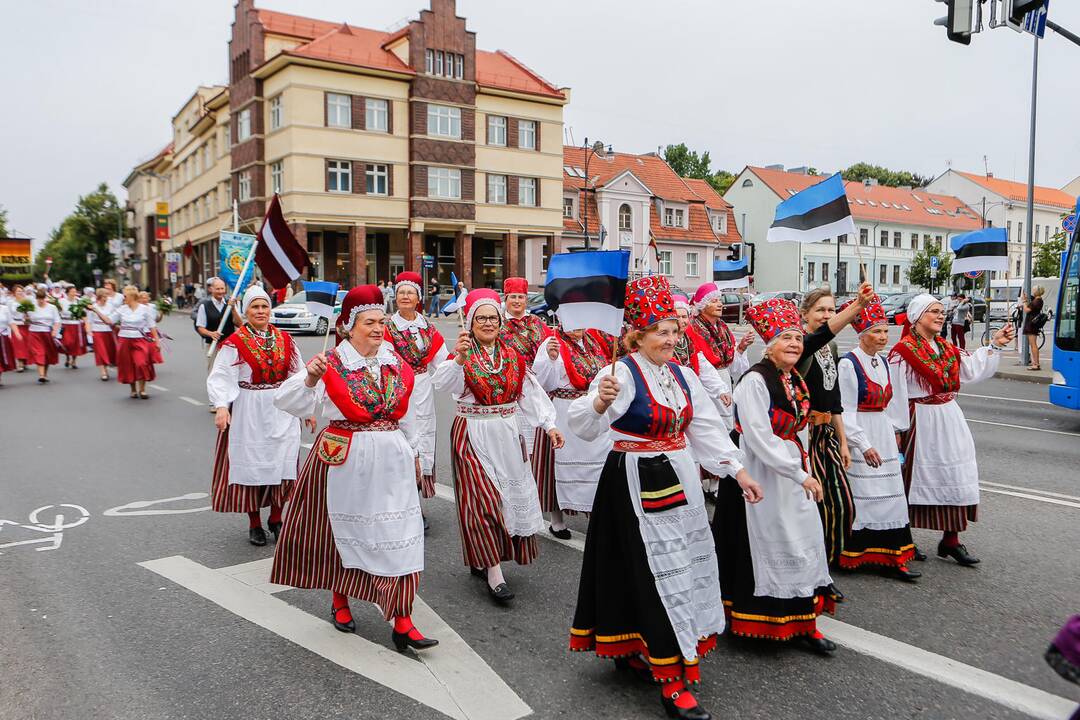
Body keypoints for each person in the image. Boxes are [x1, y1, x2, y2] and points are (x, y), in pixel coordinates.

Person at [568, 276, 761, 720]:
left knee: (678, 564)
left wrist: (738, 470)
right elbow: (584, 427)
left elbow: (707, 429)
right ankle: (672, 677)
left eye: (675, 331)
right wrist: (598, 402)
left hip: (680, 478)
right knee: (656, 570)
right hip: (634, 482)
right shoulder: (620, 372)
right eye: (661, 332)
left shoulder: (683, 374)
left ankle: (645, 646)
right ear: (637, 334)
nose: (671, 339)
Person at [271, 285, 438, 652]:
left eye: (382, 321)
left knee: (401, 535)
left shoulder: (396, 363)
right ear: (348, 325)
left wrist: (416, 455)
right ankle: (340, 599)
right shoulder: (331, 362)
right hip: (344, 456)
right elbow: (287, 401)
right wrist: (311, 378)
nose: (379, 328)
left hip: (392, 457)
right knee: (339, 533)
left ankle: (403, 620)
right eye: (370, 322)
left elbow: (410, 416)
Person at [713, 297, 838, 656]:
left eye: (798, 338)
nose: (795, 344)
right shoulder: (754, 380)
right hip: (761, 475)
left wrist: (804, 469)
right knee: (768, 542)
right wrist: (798, 475)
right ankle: (757, 620)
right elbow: (758, 437)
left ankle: (804, 622)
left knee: (803, 541)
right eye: (786, 338)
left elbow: (797, 431)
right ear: (770, 344)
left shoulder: (793, 377)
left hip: (791, 471)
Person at [431, 289, 563, 605]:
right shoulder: (462, 355)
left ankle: (484, 557)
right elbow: (441, 383)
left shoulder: (513, 357)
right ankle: (494, 572)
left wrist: (550, 424)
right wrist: (459, 358)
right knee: (484, 501)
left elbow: (529, 394)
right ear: (472, 322)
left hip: (507, 432)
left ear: (501, 322)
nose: (488, 323)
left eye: (493, 317)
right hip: (472, 433)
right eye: (481, 318)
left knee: (506, 501)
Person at [888, 294, 1014, 565]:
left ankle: (951, 540)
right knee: (912, 478)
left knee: (957, 474)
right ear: (917, 317)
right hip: (919, 420)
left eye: (941, 311)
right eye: (933, 311)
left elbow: (971, 369)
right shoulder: (903, 352)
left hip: (949, 417)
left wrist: (995, 344)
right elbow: (896, 394)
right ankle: (904, 538)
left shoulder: (946, 348)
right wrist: (897, 430)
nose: (940, 315)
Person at [208, 286, 306, 546]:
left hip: (281, 409)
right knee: (252, 466)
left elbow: (299, 376)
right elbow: (221, 376)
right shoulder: (235, 342)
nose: (261, 311)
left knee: (283, 462)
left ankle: (276, 517)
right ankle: (254, 523)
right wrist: (221, 406)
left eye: (264, 306)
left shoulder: (286, 339)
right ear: (246, 311)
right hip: (249, 411)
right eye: (255, 307)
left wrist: (305, 408)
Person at [797, 284, 874, 600]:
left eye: (831, 309)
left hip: (827, 435)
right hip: (805, 436)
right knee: (814, 508)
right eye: (821, 310)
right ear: (805, 315)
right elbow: (821, 335)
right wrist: (856, 306)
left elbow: (835, 399)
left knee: (843, 503)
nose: (827, 315)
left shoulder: (831, 349)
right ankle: (815, 574)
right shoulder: (800, 344)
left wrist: (843, 442)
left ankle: (827, 564)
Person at [836, 296, 919, 581]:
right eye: (876, 331)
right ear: (862, 334)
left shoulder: (882, 363)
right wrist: (863, 444)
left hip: (881, 431)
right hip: (861, 432)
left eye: (885, 331)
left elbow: (891, 404)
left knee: (892, 494)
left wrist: (895, 433)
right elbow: (845, 410)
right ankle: (857, 555)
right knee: (865, 495)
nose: (883, 337)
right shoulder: (848, 364)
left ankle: (892, 556)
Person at [383, 272, 450, 527]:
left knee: (422, 443)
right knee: (400, 446)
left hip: (422, 390)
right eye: (401, 292)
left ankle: (416, 504)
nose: (405, 296)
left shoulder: (427, 328)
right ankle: (402, 506)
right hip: (396, 389)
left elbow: (442, 363)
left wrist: (460, 366)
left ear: (418, 298)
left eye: (410, 292)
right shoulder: (388, 327)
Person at [531, 322, 609, 536]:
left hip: (590, 409)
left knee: (597, 464)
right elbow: (543, 383)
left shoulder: (593, 342)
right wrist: (552, 359)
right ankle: (557, 519)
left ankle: (594, 512)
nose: (578, 326)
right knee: (558, 465)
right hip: (563, 410)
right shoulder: (553, 342)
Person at [690, 282, 753, 500]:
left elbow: (732, 364)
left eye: (719, 300)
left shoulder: (724, 328)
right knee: (708, 429)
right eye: (715, 301)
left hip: (723, 380)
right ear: (703, 304)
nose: (720, 305)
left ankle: (716, 484)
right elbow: (699, 363)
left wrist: (742, 348)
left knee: (725, 430)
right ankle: (703, 481)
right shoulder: (692, 328)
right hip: (704, 384)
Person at [501, 277, 553, 462]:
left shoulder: (537, 323)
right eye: (512, 296)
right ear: (505, 298)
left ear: (526, 299)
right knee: (513, 440)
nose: (517, 301)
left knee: (536, 434)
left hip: (537, 382)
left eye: (521, 297)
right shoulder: (496, 323)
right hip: (509, 386)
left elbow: (550, 348)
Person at [89, 285, 160, 399]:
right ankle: (133, 389)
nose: (123, 298)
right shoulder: (122, 309)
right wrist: (96, 310)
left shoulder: (144, 309)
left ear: (132, 296)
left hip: (140, 339)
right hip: (124, 340)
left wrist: (157, 342)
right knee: (128, 365)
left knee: (141, 363)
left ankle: (142, 389)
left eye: (125, 296)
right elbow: (109, 320)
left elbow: (152, 326)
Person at [25, 288, 61, 384]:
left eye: (42, 298)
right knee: (39, 353)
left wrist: (55, 331)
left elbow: (57, 321)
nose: (40, 300)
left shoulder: (52, 307)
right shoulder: (31, 307)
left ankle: (44, 374)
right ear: (36, 298)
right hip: (35, 332)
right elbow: (26, 322)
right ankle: (41, 375)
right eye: (38, 298)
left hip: (47, 333)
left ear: (45, 298)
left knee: (47, 354)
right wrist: (26, 317)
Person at [87, 289, 117, 381]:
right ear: (99, 297)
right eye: (104, 296)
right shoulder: (93, 307)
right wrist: (89, 331)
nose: (106, 298)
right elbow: (89, 321)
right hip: (97, 331)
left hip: (108, 330)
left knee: (109, 350)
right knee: (100, 351)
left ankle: (107, 365)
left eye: (106, 296)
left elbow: (114, 318)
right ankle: (103, 372)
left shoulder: (110, 306)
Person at [58, 286, 88, 369]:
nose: (74, 293)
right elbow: (58, 311)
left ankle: (73, 361)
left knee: (75, 343)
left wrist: (85, 323)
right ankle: (67, 357)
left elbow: (83, 314)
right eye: (72, 291)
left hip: (76, 324)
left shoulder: (79, 301)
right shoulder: (62, 301)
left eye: (75, 291)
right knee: (67, 343)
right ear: (67, 292)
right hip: (66, 324)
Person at [1021, 285, 1046, 371]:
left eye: (1034, 290)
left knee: (1033, 345)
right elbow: (1031, 300)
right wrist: (1026, 297)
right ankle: (1035, 363)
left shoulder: (1037, 301)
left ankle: (1036, 364)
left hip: (1032, 324)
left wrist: (1024, 302)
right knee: (1033, 344)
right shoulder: (1038, 300)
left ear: (1037, 291)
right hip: (1033, 324)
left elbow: (1027, 309)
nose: (1032, 291)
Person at [9, 285, 32, 373]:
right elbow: (9, 314)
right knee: (18, 344)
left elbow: (32, 313)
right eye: (18, 291)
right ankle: (20, 363)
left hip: (25, 325)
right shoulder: (11, 302)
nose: (20, 293)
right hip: (16, 325)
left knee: (26, 343)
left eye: (21, 291)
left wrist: (28, 316)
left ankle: (25, 360)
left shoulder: (27, 302)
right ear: (14, 293)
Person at [0, 299, 23, 387]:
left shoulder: (5, 309)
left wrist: (17, 333)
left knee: (2, 358)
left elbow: (11, 322)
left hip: (3, 337)